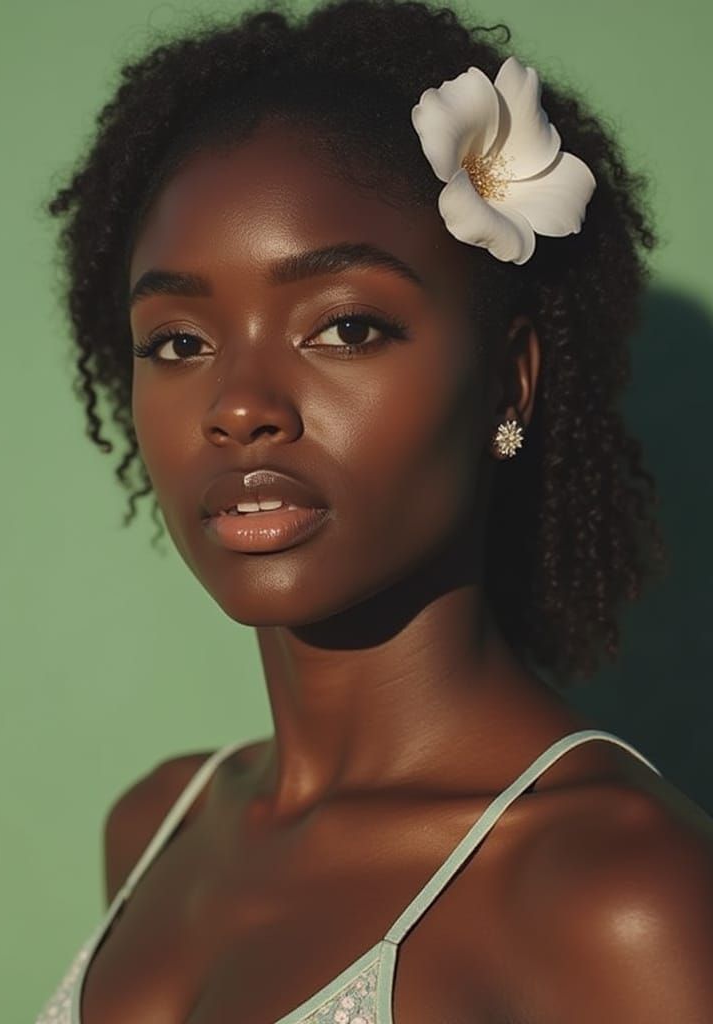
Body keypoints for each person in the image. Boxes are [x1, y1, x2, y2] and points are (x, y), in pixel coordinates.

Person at [36, 1, 713, 1021]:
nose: (240, 408)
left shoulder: (622, 894)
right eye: (178, 341)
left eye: (345, 326)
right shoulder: (155, 828)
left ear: (509, 381)